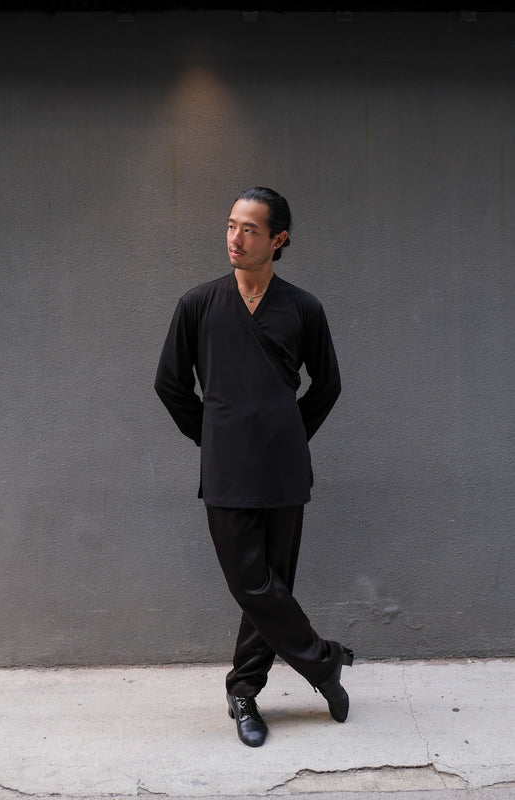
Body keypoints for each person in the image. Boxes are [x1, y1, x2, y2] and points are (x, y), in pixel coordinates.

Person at [155, 187, 353, 747]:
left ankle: (243, 692)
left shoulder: (303, 307)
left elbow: (328, 384)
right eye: (230, 226)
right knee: (250, 582)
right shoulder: (199, 304)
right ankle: (323, 662)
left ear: (278, 239)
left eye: (249, 229)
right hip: (227, 467)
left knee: (274, 583)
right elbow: (170, 384)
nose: (235, 238)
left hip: (284, 466)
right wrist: (213, 436)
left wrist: (289, 433)